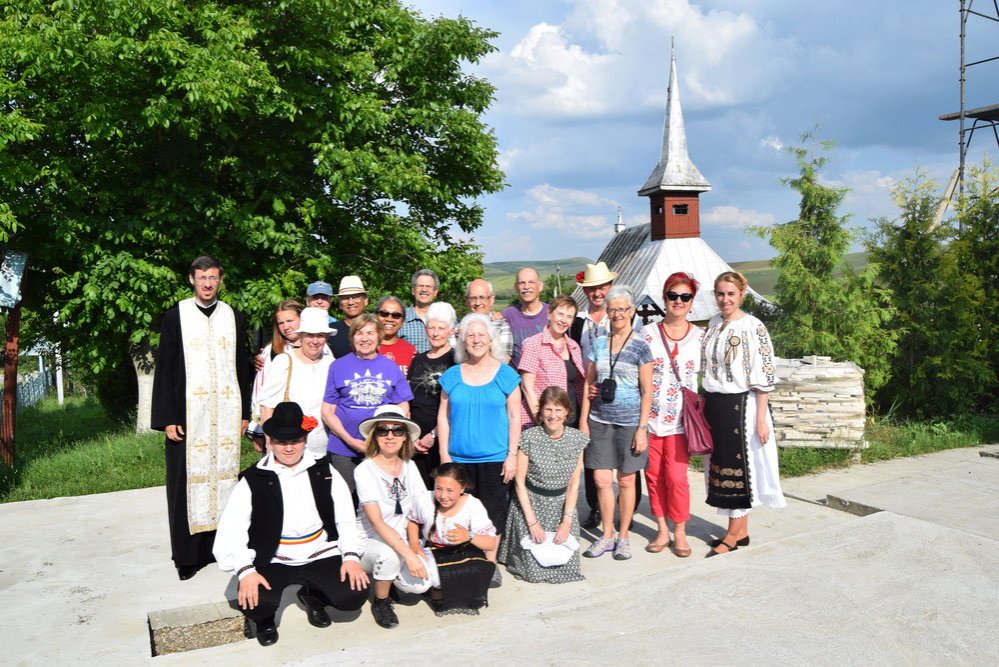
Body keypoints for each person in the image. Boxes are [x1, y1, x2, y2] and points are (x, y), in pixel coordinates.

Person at [213, 402, 369, 647]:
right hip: (274, 555)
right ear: (270, 442)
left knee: (353, 593)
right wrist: (245, 571)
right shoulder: (253, 479)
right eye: (281, 442)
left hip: (318, 551)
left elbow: (345, 517)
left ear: (305, 440)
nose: (288, 448)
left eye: (295, 441)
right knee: (254, 601)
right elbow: (231, 531)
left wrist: (350, 556)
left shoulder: (323, 470)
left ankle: (312, 596)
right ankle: (264, 619)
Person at [151, 255, 251, 581]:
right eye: (201, 277)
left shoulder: (234, 317)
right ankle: (187, 557)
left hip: (225, 415)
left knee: (224, 479)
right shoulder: (174, 316)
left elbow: (243, 366)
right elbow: (164, 370)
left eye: (213, 278)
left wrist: (245, 413)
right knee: (184, 484)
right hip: (187, 416)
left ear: (220, 279)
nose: (207, 284)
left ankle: (219, 549)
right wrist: (167, 417)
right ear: (191, 279)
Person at [701, 271, 786, 557]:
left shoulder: (753, 327)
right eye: (720, 294)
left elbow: (764, 375)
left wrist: (761, 419)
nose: (725, 300)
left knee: (739, 469)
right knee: (720, 468)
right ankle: (742, 531)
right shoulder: (714, 324)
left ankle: (732, 535)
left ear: (742, 294)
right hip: (715, 404)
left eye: (730, 294)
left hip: (741, 406)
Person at [437, 313, 521, 587]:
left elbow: (514, 417)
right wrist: (444, 457)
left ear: (491, 340)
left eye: (481, 335)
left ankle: (489, 564)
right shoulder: (452, 375)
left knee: (493, 514)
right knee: (459, 513)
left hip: (495, 459)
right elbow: (443, 418)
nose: (475, 340)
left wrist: (512, 456)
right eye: (470, 335)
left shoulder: (506, 375)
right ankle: (461, 562)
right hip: (459, 459)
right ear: (462, 341)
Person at [578, 285, 653, 562]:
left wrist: (642, 428)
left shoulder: (641, 347)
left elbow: (648, 390)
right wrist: (585, 420)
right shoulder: (599, 343)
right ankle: (606, 535)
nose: (618, 314)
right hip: (599, 420)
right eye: (613, 310)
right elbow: (589, 383)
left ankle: (623, 537)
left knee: (625, 480)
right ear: (607, 313)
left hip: (630, 423)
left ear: (632, 311)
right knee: (600, 479)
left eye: (622, 309)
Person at [640, 273, 704, 557]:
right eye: (673, 295)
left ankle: (679, 531)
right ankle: (662, 529)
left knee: (677, 478)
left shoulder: (700, 338)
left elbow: (712, 378)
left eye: (685, 297)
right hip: (651, 420)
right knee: (653, 476)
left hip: (681, 422)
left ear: (692, 302)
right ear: (664, 298)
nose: (678, 301)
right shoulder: (648, 334)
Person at [354, 407, 432, 629]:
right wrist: (408, 555)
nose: (390, 436)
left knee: (420, 586)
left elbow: (416, 512)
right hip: (371, 539)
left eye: (398, 430)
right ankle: (381, 601)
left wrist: (415, 548)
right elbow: (377, 523)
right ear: (374, 436)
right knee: (389, 555)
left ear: (405, 436)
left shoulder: (410, 466)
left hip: (403, 537)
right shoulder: (364, 470)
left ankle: (390, 579)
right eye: (383, 430)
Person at [499, 387, 586, 583]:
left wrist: (566, 521)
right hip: (531, 505)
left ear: (566, 412)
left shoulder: (577, 439)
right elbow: (519, 483)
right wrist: (532, 522)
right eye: (548, 409)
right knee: (533, 569)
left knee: (565, 567)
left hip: (561, 507)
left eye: (558, 410)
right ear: (541, 412)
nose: (553, 415)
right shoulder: (529, 438)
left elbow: (574, 484)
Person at [321, 313, 413, 492]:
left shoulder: (390, 367)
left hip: (381, 447)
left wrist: (390, 437)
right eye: (359, 333)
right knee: (347, 497)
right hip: (344, 448)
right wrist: (350, 441)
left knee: (377, 497)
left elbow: (403, 405)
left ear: (379, 336)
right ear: (352, 337)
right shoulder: (338, 366)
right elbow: (327, 411)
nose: (365, 338)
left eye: (370, 333)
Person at [407, 463, 498, 616]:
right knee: (428, 579)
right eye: (438, 488)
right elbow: (413, 521)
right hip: (432, 548)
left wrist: (469, 536)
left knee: (479, 569)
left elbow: (491, 543)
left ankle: (459, 590)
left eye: (450, 490)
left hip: (463, 550)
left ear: (462, 488)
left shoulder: (473, 505)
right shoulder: (424, 499)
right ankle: (436, 588)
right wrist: (414, 545)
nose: (443, 496)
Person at [569, 261, 616, 529]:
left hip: (621, 396)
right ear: (586, 292)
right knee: (591, 455)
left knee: (623, 452)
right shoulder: (578, 323)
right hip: (588, 396)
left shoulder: (622, 314)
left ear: (609, 287)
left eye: (602, 287)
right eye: (592, 289)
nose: (598, 293)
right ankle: (595, 507)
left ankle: (625, 509)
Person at [258, 307, 334, 458]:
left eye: (320, 335)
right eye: (310, 335)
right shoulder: (285, 361)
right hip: (287, 449)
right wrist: (269, 443)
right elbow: (267, 407)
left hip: (323, 449)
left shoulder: (331, 363)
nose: (315, 341)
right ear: (301, 336)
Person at [407, 302, 458, 487]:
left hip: (442, 437)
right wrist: (412, 437)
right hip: (415, 438)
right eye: (431, 327)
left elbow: (455, 404)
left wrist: (433, 436)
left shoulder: (456, 361)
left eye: (441, 328)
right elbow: (409, 400)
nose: (435, 333)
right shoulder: (417, 360)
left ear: (451, 330)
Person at [517, 295, 585, 429]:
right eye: (560, 314)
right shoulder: (533, 344)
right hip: (543, 423)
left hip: (570, 421)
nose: (563, 320)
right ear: (549, 314)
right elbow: (527, 387)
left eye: (569, 317)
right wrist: (542, 420)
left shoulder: (574, 346)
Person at [248, 300, 303, 451]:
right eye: (281, 323)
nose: (286, 327)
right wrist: (259, 429)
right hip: (279, 424)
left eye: (290, 320)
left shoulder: (317, 346)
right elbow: (260, 391)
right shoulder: (272, 351)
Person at [501, 268, 548, 365]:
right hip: (517, 378)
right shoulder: (507, 315)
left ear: (540, 286)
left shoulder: (552, 314)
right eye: (522, 283)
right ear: (516, 287)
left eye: (531, 282)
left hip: (547, 378)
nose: (526, 287)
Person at [464, 279, 513, 364]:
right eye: (473, 298)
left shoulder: (501, 326)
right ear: (467, 300)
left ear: (492, 298)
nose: (477, 303)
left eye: (482, 297)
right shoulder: (460, 328)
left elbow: (503, 360)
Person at [398, 269, 443, 353]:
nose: (424, 290)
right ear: (413, 290)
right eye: (420, 286)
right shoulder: (400, 318)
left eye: (428, 286)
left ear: (435, 292)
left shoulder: (445, 318)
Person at [328, 275, 369, 358]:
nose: (351, 302)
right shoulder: (331, 331)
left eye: (355, 297)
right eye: (345, 298)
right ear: (340, 303)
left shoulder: (376, 328)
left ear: (365, 301)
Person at [376, 295, 416, 376]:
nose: (389, 319)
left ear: (403, 321)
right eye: (384, 314)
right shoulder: (364, 347)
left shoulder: (410, 351)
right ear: (376, 316)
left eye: (396, 315)